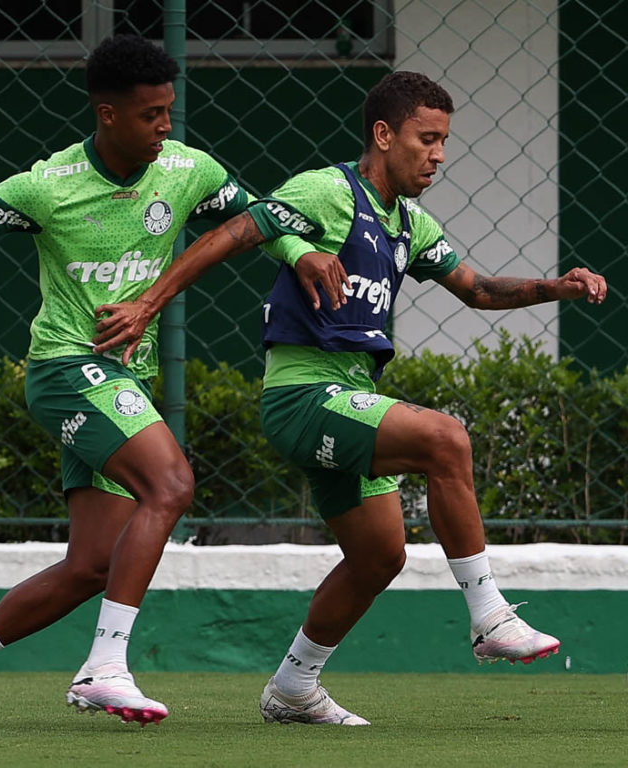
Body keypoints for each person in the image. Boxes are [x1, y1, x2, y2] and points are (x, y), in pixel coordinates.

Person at [92, 71, 608, 726]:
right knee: (445, 438)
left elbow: (477, 289)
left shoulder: (408, 223)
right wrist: (146, 305)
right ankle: (489, 617)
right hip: (303, 395)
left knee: (379, 556)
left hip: (349, 396)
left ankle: (293, 687)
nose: (439, 155)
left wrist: (555, 287)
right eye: (427, 139)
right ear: (384, 135)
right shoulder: (327, 191)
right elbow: (228, 236)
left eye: (445, 141)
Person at [0, 35, 329, 728]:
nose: (165, 127)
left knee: (90, 567)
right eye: (150, 115)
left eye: (170, 111)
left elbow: (256, 219)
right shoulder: (44, 188)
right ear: (107, 114)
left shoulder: (187, 169)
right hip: (64, 371)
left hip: (122, 387)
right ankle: (105, 667)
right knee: (171, 485)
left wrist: (303, 251)